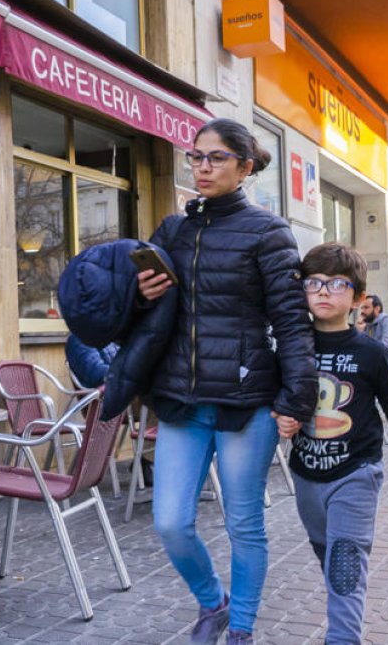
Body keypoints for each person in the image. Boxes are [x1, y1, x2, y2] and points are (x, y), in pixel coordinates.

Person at [136, 118, 317, 645]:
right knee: (170, 522)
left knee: (244, 526)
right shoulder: (173, 230)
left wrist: (295, 399)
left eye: (215, 158)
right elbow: (146, 308)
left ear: (243, 166)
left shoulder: (268, 231)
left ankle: (240, 628)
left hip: (246, 401)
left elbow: (291, 321)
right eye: (196, 157)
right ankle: (211, 601)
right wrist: (141, 291)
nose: (202, 167)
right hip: (182, 400)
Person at [278, 242, 388, 644]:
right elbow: (276, 393)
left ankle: (343, 638)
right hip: (306, 474)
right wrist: (282, 413)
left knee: (344, 564)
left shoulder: (371, 352)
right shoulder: (293, 346)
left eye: (337, 284)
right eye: (314, 283)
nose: (324, 291)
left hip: (357, 473)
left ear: (359, 299)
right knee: (328, 557)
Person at [356, 294, 388, 360]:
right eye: (362, 308)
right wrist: (359, 332)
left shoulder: (387, 321)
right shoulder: (369, 324)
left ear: (377, 309)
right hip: (381, 359)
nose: (363, 311)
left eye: (366, 308)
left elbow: (386, 345)